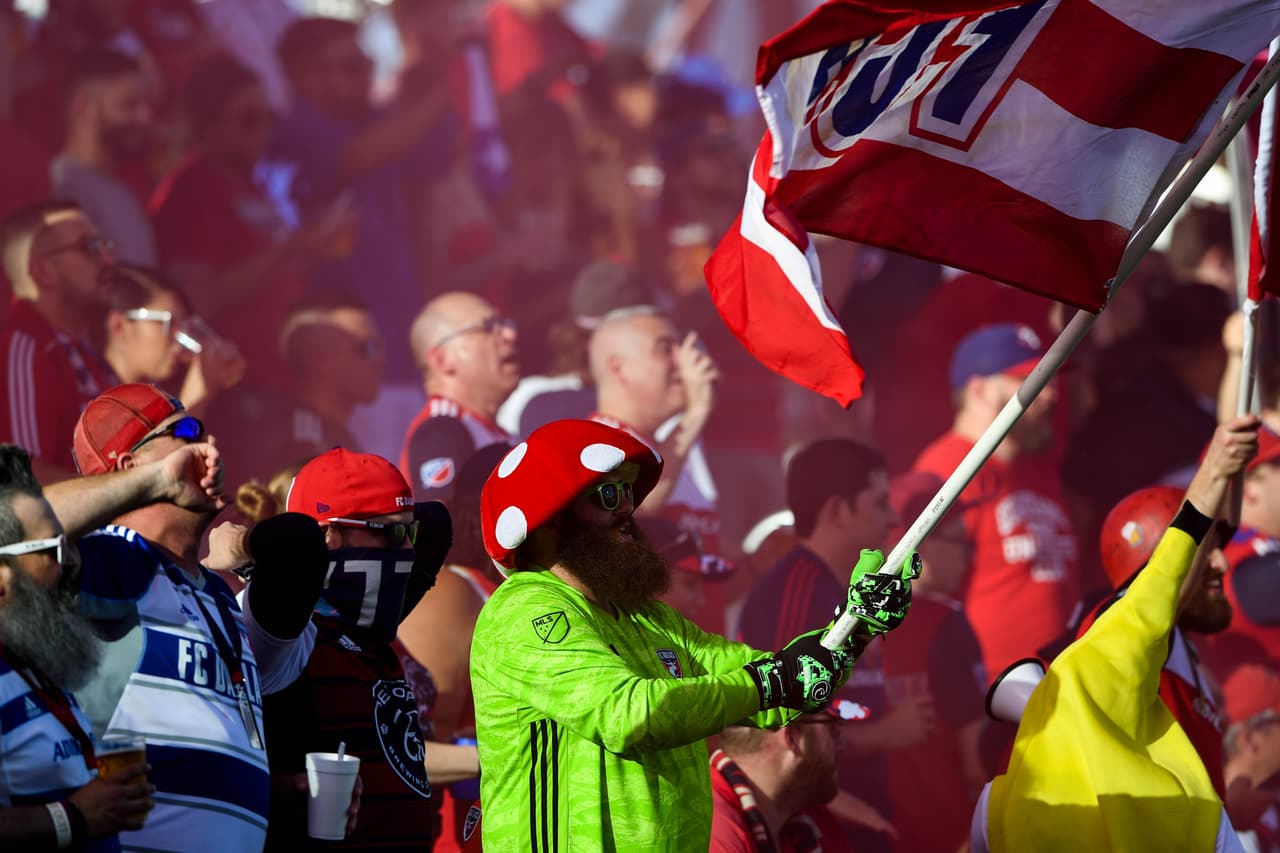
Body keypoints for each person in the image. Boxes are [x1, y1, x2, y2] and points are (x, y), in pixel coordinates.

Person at [470, 418, 916, 849]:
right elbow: (629, 715)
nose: (627, 508)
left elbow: (781, 687)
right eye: (607, 494)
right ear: (548, 522)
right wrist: (773, 681)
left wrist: (857, 624)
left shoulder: (647, 618)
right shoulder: (524, 607)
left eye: (628, 492)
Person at [973, 416, 1260, 853]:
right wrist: (1213, 472)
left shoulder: (1168, 649)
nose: (1221, 563)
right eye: (1208, 550)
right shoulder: (1119, 628)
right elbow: (1163, 585)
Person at [207, 446, 457, 849]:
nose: (408, 550)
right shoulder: (286, 633)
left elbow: (438, 523)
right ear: (330, 535)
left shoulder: (369, 627)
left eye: (410, 534)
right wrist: (245, 545)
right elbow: (298, 541)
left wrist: (397, 521)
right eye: (392, 534)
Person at [60, 382, 272, 850]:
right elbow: (14, 532)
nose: (209, 445)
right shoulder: (108, 560)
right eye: (187, 432)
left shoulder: (218, 592)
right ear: (129, 466)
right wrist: (154, 482)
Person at [271, 16, 457, 457]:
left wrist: (426, 74)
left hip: (398, 347)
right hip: (343, 361)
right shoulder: (296, 131)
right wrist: (446, 84)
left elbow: (439, 154)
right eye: (352, 65)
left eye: (366, 60)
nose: (368, 71)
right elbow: (358, 156)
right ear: (308, 74)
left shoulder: (374, 120)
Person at [738, 438, 917, 851]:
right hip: (820, 824)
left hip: (858, 814)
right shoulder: (794, 592)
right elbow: (780, 730)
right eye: (879, 503)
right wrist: (884, 735)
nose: (893, 518)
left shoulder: (845, 590)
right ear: (837, 510)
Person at [150, 53, 346, 387]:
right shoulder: (192, 189)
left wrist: (307, 249)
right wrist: (292, 248)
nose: (263, 131)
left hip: (279, 377)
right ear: (208, 125)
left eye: (267, 117)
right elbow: (199, 299)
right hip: (238, 381)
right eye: (248, 119)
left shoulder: (249, 184)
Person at [0, 444, 156, 851]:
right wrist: (72, 818)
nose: (72, 562)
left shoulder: (38, 674)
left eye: (70, 544)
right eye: (52, 549)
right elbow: (73, 817)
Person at [914, 323, 1080, 679]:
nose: (1050, 394)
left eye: (1050, 381)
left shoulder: (1033, 468)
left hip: (1057, 688)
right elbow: (925, 589)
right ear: (978, 390)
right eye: (1031, 382)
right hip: (995, 696)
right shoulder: (947, 469)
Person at [588, 308, 725, 631]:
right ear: (618, 368)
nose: (684, 359)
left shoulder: (672, 450)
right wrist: (697, 412)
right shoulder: (594, 444)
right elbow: (634, 505)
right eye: (666, 348)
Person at [878, 472, 989, 853]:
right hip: (947, 836)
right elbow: (977, 759)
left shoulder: (849, 620)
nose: (968, 554)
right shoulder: (945, 623)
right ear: (919, 543)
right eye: (960, 539)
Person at [210, 289, 385, 490]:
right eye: (367, 348)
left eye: (381, 347)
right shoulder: (301, 444)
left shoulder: (329, 434)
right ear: (319, 359)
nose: (379, 359)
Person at [0, 201, 116, 481]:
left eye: (104, 245)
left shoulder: (77, 347)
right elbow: (24, 484)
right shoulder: (24, 350)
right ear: (43, 272)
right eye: (89, 247)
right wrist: (136, 491)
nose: (108, 259)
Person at [401, 292, 518, 500]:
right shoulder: (439, 431)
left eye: (504, 324)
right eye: (488, 327)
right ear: (441, 359)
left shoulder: (493, 431)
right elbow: (444, 527)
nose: (509, 335)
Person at [50, 48, 156, 266]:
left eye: (145, 104)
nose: (145, 117)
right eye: (129, 105)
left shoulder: (123, 193)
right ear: (83, 108)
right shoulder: (66, 189)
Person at [100, 263, 244, 419]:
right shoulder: (90, 398)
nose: (180, 335)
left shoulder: (156, 399)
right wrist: (195, 399)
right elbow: (168, 444)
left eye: (184, 324)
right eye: (169, 323)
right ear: (119, 326)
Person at [710, 706, 853, 853]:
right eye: (832, 729)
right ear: (792, 736)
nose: (842, 745)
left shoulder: (814, 822)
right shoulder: (709, 830)